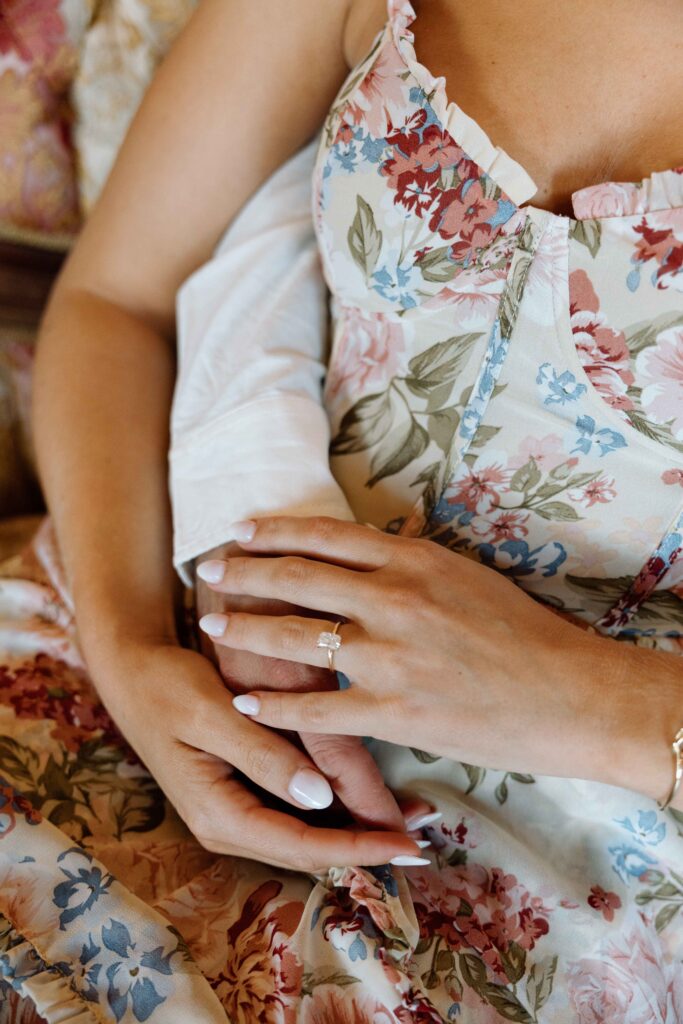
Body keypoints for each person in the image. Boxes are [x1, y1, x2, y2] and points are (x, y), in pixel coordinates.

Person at [5, 0, 681, 1019]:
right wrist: (136, 652)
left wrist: (605, 706)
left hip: (587, 866)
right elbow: (120, 300)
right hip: (159, 619)